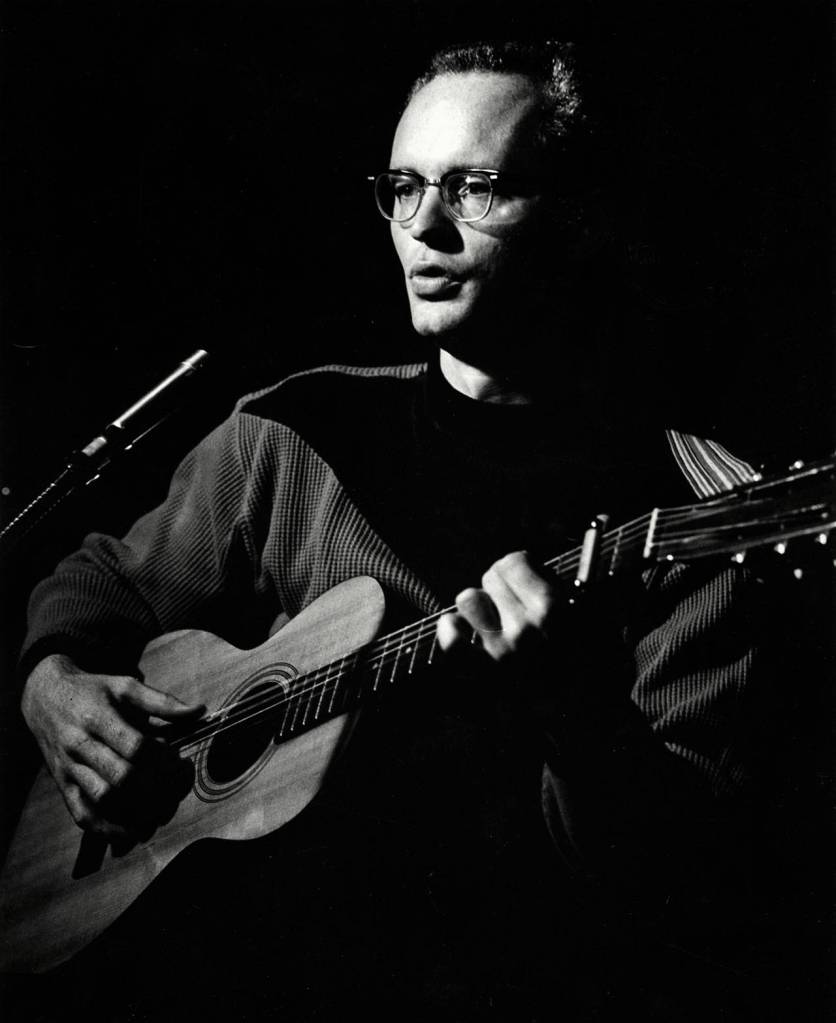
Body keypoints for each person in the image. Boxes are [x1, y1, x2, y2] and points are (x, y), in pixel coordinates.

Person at [9, 40, 803, 1021]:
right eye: (402, 187)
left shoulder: (686, 506)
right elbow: (106, 581)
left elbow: (679, 894)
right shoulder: (293, 431)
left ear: (577, 213)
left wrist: (572, 714)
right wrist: (50, 677)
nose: (422, 228)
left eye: (473, 187)